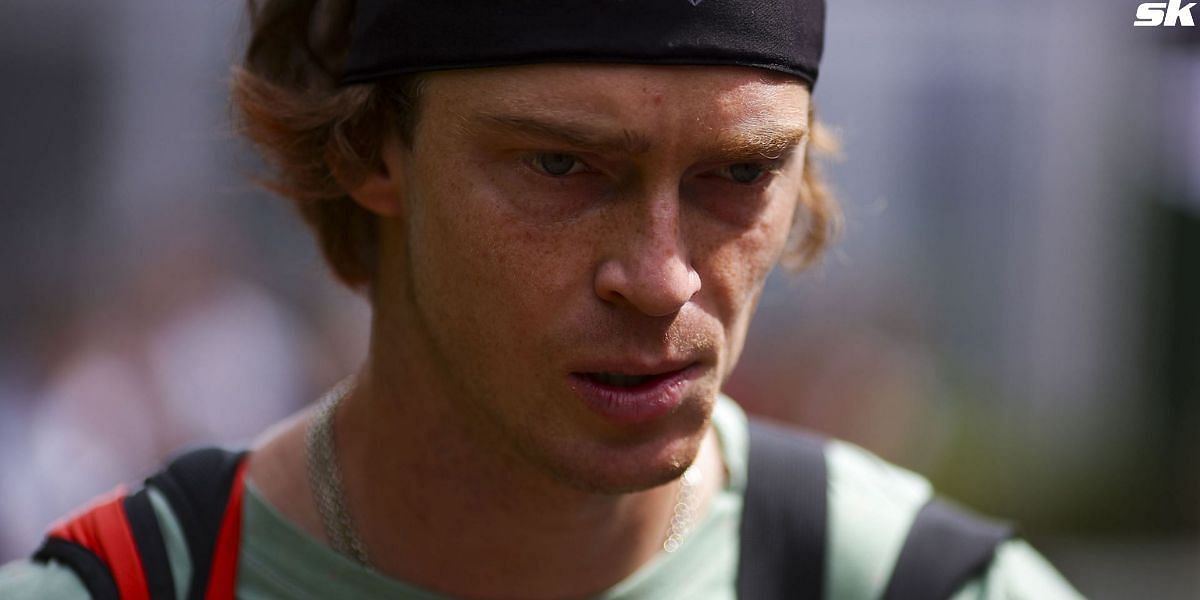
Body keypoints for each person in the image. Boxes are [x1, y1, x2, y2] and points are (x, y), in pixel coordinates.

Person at [0, 0, 1083, 598]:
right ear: (377, 147)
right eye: (562, 167)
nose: (662, 279)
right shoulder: (144, 587)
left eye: (738, 174)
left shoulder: (917, 588)